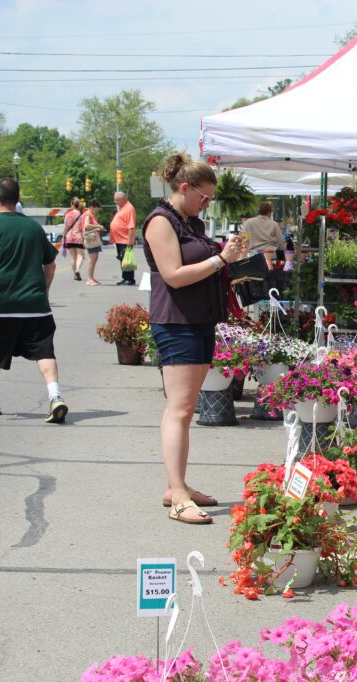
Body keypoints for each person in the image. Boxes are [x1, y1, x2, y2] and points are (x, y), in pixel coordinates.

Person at [144, 152, 245, 525]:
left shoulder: (190, 222)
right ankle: (178, 493)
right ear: (184, 188)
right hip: (176, 323)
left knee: (186, 410)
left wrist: (229, 257)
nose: (207, 203)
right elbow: (173, 275)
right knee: (181, 409)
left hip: (199, 320)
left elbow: (201, 267)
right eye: (204, 196)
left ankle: (178, 486)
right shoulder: (160, 222)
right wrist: (221, 260)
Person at [0, 177, 67, 423]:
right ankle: (55, 396)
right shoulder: (33, 228)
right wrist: (44, 291)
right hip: (36, 307)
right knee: (45, 352)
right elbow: (51, 264)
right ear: (17, 200)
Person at [240, 201, 286, 267]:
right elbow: (281, 243)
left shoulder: (248, 223)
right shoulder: (274, 224)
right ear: (270, 212)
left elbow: (243, 241)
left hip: (253, 256)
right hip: (271, 257)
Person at [110, 191, 137, 285]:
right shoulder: (123, 208)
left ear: (123, 199)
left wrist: (129, 241)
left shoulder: (129, 208)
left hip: (125, 239)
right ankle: (125, 277)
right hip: (119, 239)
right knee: (123, 259)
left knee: (127, 259)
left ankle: (130, 279)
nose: (115, 202)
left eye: (117, 200)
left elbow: (131, 226)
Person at [79, 200, 105, 286]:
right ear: (92, 207)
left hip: (93, 238)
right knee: (92, 259)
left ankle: (92, 278)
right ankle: (89, 279)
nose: (98, 210)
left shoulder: (89, 214)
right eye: (97, 208)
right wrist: (98, 226)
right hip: (91, 239)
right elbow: (87, 226)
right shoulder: (88, 215)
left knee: (94, 258)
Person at [62, 197, 84, 281]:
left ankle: (75, 273)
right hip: (78, 237)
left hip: (69, 237)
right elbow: (83, 227)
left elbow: (66, 227)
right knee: (80, 255)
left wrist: (64, 236)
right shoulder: (81, 215)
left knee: (72, 257)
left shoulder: (68, 214)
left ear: (72, 205)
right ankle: (78, 269)